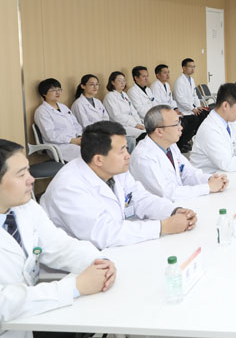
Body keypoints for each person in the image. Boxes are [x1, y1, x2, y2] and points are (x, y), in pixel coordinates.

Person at [0, 139, 117, 326]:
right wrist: (74, 287)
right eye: (21, 175)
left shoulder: (25, 207)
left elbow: (60, 246)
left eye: (28, 170)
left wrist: (98, 262)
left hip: (28, 320)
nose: (31, 179)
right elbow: (4, 302)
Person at [40, 121, 196, 249]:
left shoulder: (115, 169)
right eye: (122, 151)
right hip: (81, 263)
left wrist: (173, 211)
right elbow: (104, 234)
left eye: (126, 148)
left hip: (116, 246)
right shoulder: (69, 187)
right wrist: (163, 227)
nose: (128, 155)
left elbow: (141, 198)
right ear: (99, 159)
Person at [130, 105, 228, 201]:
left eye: (179, 122)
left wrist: (210, 179)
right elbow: (167, 193)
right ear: (159, 132)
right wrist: (208, 187)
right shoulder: (143, 156)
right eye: (175, 124)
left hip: (178, 203)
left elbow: (188, 173)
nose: (181, 127)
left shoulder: (170, 145)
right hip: (159, 209)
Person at [151, 64, 200, 152]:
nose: (167, 74)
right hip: (162, 113)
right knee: (183, 122)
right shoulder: (155, 86)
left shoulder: (167, 85)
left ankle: (183, 142)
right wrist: (171, 111)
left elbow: (171, 100)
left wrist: (176, 109)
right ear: (158, 75)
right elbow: (158, 104)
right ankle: (179, 145)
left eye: (168, 72)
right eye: (165, 73)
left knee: (193, 119)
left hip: (170, 111)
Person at [33, 78, 83, 162]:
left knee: (99, 147)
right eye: (53, 90)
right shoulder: (42, 111)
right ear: (44, 93)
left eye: (59, 89)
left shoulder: (63, 107)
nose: (58, 92)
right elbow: (50, 135)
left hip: (75, 141)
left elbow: (75, 124)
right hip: (59, 146)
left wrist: (79, 136)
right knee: (89, 153)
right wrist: (72, 140)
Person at [103, 71, 145, 139]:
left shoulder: (124, 95)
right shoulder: (110, 97)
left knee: (150, 132)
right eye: (119, 81)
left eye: (124, 81)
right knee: (144, 135)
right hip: (120, 126)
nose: (122, 83)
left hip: (132, 124)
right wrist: (135, 125)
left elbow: (133, 111)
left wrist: (139, 123)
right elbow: (116, 117)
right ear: (112, 82)